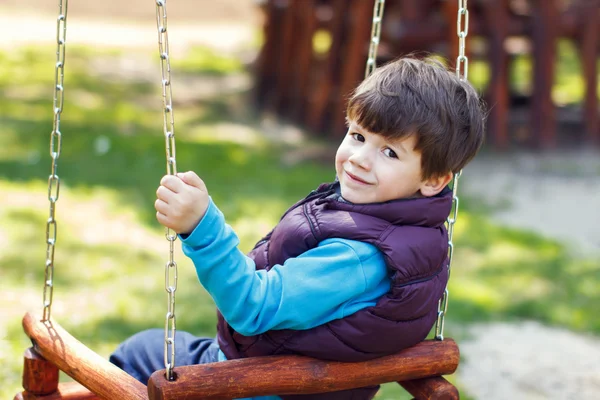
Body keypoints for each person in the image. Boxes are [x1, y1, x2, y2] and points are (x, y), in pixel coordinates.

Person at [110, 56, 486, 400]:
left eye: (389, 152)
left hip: (259, 385)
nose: (359, 160)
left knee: (137, 353)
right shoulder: (404, 229)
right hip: (292, 378)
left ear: (434, 179)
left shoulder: (358, 257)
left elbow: (253, 306)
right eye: (357, 136)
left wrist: (201, 228)